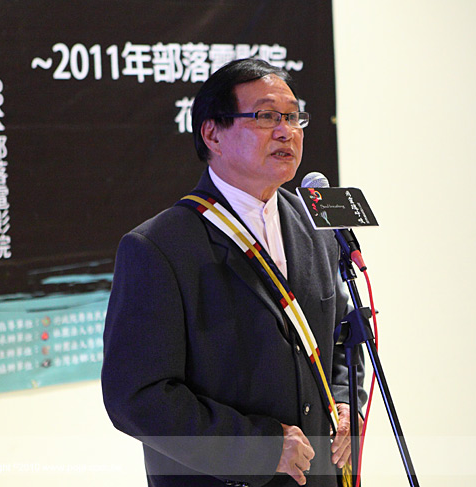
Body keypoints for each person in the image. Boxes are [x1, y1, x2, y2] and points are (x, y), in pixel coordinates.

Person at [101, 58, 366, 487]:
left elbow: (340, 337)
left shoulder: (314, 226)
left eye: (293, 117)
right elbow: (137, 397)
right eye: (266, 116)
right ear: (213, 135)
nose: (286, 131)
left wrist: (345, 401)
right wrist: (260, 448)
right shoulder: (159, 247)